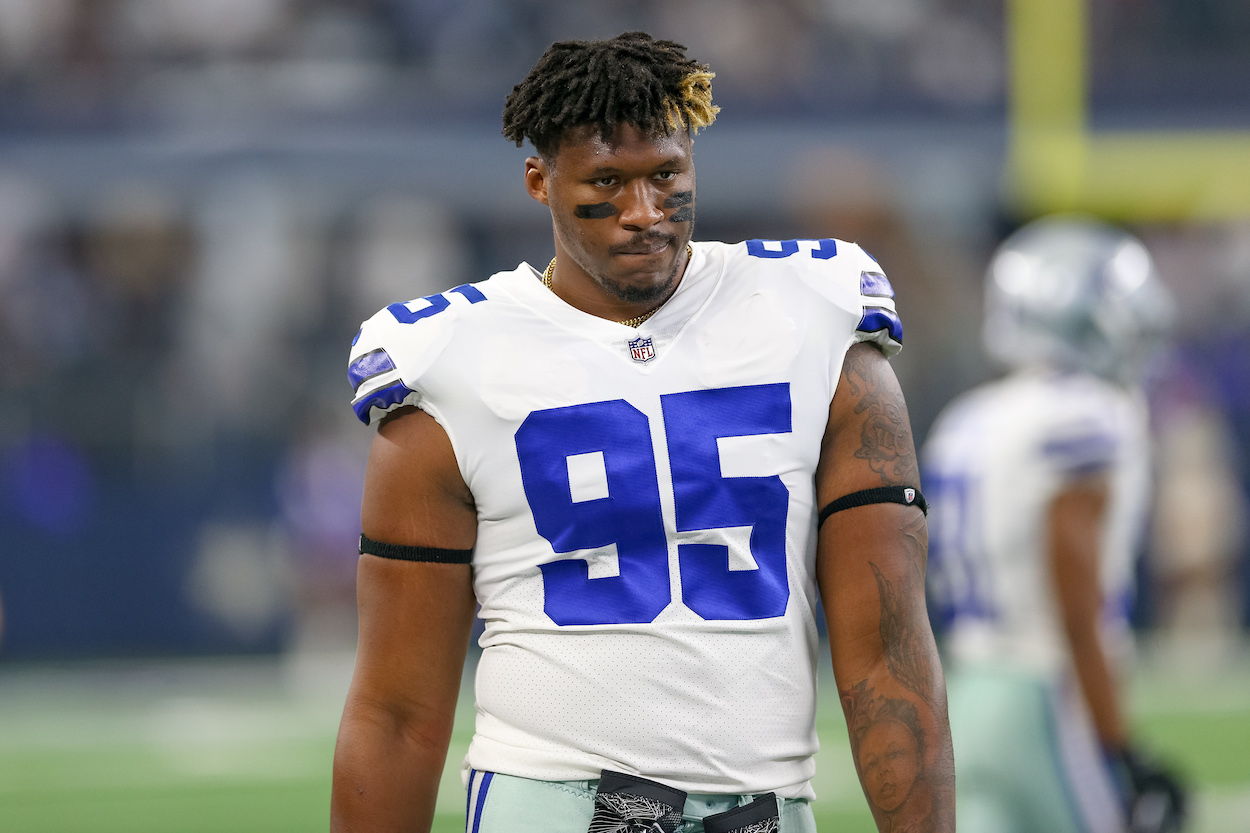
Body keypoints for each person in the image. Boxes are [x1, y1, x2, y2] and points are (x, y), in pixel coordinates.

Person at [331, 31, 953, 833]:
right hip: (553, 798)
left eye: (666, 176)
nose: (644, 213)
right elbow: (396, 707)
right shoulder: (450, 360)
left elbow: (890, 651)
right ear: (539, 183)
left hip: (765, 807)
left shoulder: (814, 316)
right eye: (607, 182)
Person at [922, 215, 1189, 833]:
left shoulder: (968, 419)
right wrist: (1124, 748)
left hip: (966, 694)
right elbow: (1077, 606)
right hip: (1045, 694)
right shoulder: (1089, 417)